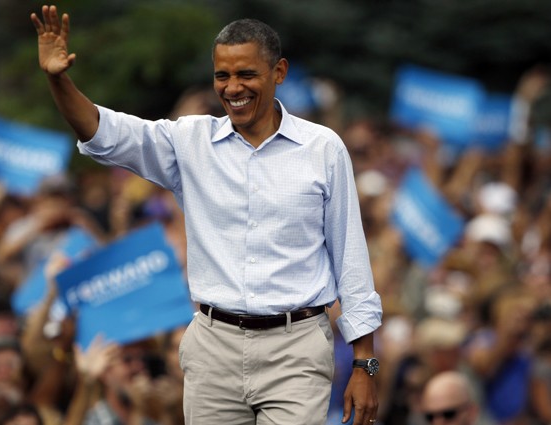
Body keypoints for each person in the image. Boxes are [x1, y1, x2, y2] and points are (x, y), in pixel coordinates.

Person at [30, 5, 382, 424]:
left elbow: (351, 260)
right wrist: (57, 79)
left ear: (279, 72)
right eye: (222, 76)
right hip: (213, 347)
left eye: (247, 74)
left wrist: (365, 364)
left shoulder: (322, 148)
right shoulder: (189, 141)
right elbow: (104, 133)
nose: (233, 88)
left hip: (297, 348)